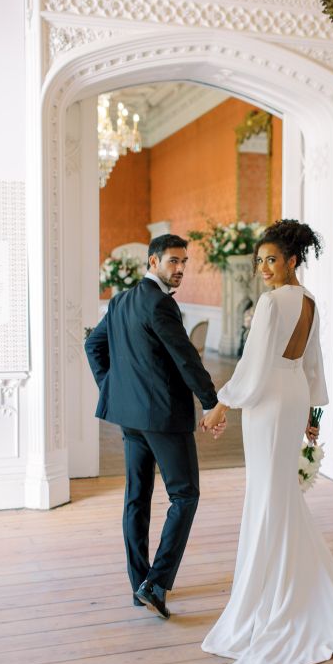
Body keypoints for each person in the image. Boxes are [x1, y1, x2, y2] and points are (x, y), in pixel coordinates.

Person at [200, 219, 333, 664]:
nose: (264, 268)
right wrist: (313, 413)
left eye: (272, 259)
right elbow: (312, 363)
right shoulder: (309, 301)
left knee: (268, 496)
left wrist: (220, 404)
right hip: (293, 397)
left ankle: (272, 600)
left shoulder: (271, 303)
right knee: (279, 493)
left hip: (268, 403)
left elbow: (254, 364)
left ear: (292, 260)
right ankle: (296, 588)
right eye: (260, 261)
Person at [85, 234, 226, 619]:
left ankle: (139, 586)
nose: (180, 268)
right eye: (173, 262)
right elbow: (186, 360)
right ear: (153, 263)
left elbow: (93, 347)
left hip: (131, 418)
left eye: (184, 262)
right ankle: (156, 583)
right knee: (185, 496)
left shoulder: (120, 301)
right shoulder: (160, 304)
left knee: (137, 498)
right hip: (163, 418)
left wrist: (113, 388)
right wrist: (212, 402)